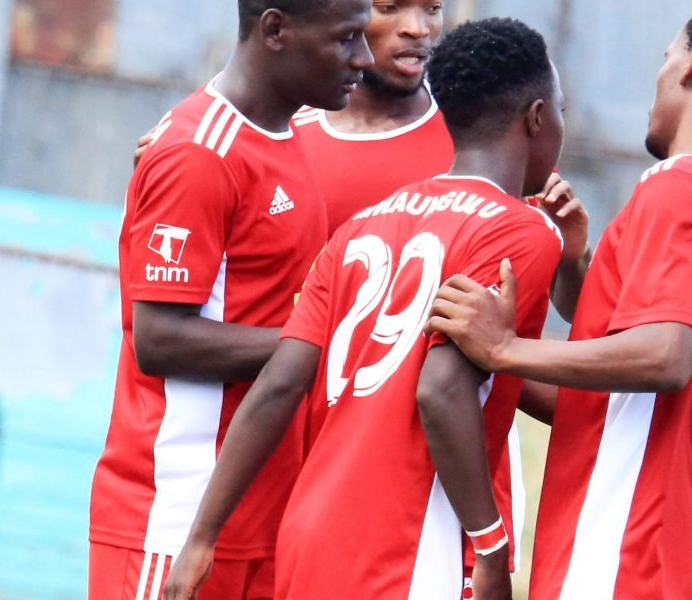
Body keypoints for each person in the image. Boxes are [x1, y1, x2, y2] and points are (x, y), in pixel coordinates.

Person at [162, 17, 566, 600]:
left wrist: (202, 536)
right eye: (561, 111)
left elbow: (278, 384)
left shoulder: (362, 224)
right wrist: (492, 546)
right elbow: (441, 390)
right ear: (535, 117)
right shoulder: (523, 232)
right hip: (408, 543)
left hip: (309, 532)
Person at [426, 1, 692, 597]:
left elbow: (664, 355)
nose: (657, 79)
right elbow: (610, 390)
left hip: (626, 537)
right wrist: (574, 266)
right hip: (689, 536)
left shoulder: (678, 184)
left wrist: (503, 348)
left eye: (665, 58)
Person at [87, 1, 373, 599]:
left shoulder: (284, 138)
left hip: (257, 518)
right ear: (275, 30)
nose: (363, 59)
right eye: (346, 39)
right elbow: (158, 338)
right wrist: (323, 341)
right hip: (174, 519)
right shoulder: (200, 151)